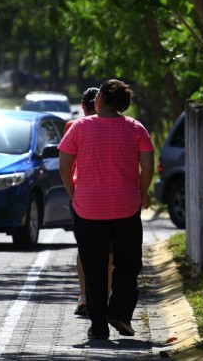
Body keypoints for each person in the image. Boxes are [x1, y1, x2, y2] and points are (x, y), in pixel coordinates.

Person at [58, 79, 155, 340]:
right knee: (129, 264)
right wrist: (143, 192)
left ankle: (98, 327)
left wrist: (73, 194)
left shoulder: (79, 127)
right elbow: (147, 166)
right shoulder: (136, 128)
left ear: (99, 99)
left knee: (95, 266)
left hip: (88, 208)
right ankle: (120, 313)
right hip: (126, 207)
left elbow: (64, 165)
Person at [63, 87, 113, 316]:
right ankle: (106, 296)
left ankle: (85, 296)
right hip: (113, 196)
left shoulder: (73, 127)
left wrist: (72, 193)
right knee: (110, 251)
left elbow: (65, 165)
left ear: (83, 106)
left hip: (82, 195)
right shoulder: (120, 125)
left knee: (85, 249)